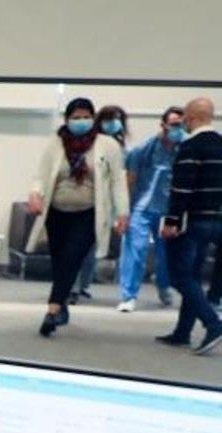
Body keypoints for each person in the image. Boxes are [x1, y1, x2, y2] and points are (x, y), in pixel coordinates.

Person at [27, 97, 130, 337]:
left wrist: (122, 212)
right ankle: (62, 304)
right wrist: (35, 193)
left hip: (88, 214)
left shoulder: (107, 146)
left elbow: (117, 182)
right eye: (76, 117)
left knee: (72, 258)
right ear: (67, 119)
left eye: (86, 116)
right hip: (57, 212)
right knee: (60, 260)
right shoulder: (56, 144)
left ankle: (52, 311)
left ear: (93, 119)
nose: (81, 121)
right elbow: (41, 174)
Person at [158, 97, 222, 354]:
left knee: (180, 276)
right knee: (194, 277)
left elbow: (182, 188)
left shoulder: (191, 147)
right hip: (218, 221)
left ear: (191, 117)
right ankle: (182, 332)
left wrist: (172, 221)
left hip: (193, 221)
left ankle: (213, 323)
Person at [117, 106, 185, 312]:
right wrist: (124, 211)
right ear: (163, 125)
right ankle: (129, 295)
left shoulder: (186, 149)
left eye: (181, 125)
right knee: (136, 250)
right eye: (174, 125)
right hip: (142, 208)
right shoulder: (144, 150)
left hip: (169, 210)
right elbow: (130, 180)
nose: (178, 129)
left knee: (166, 255)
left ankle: (163, 285)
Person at [71, 104, 131, 302]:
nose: (112, 124)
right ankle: (73, 286)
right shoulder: (90, 143)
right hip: (86, 202)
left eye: (116, 120)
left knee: (92, 249)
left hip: (108, 206)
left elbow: (120, 181)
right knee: (79, 248)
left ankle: (84, 284)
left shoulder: (123, 149)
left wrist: (122, 211)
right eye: (108, 119)